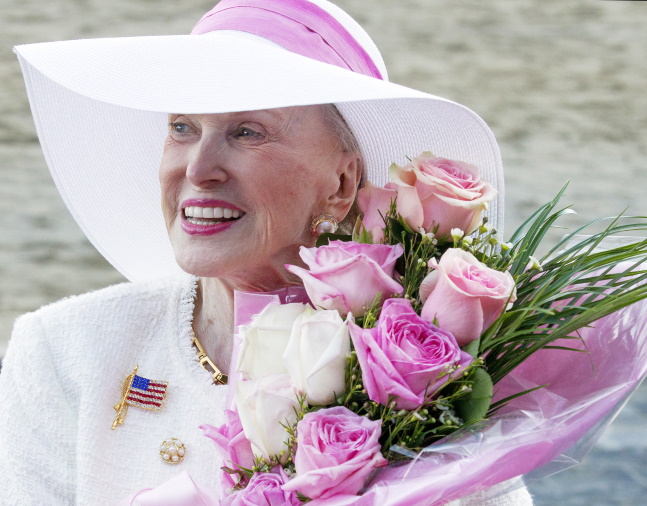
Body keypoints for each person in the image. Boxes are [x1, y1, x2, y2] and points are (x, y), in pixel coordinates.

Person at [0, 0, 531, 504]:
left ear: (342, 182)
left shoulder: (428, 379)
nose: (198, 168)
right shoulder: (65, 350)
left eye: (247, 132)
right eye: (182, 128)